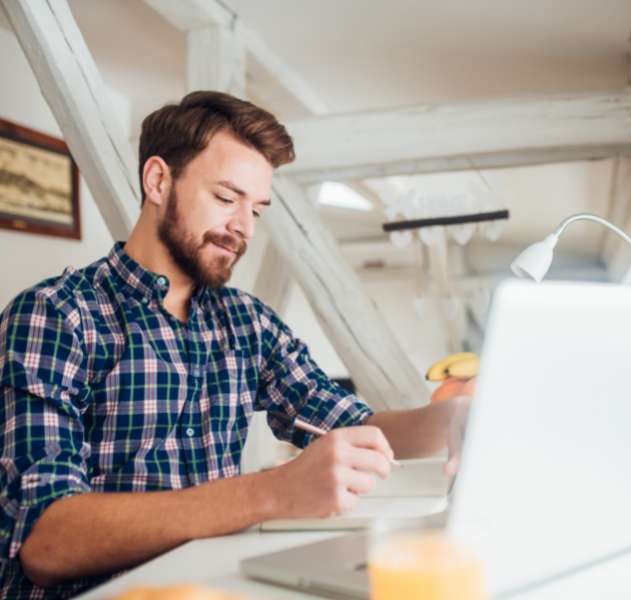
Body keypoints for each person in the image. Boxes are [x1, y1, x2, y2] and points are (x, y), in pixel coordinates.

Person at [0, 91, 466, 599]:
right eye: (226, 198)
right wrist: (273, 491)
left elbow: (360, 429)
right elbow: (46, 542)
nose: (243, 228)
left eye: (257, 209)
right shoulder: (55, 315)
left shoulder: (247, 323)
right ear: (158, 180)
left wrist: (455, 419)